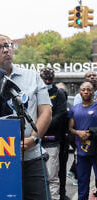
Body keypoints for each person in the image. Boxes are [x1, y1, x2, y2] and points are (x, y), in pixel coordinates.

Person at [0, 35, 52, 200]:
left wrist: (33, 139)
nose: (6, 49)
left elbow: (46, 112)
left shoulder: (32, 77)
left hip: (32, 159)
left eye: (7, 45)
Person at [40, 68, 67, 200]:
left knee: (51, 176)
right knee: (37, 177)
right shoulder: (36, 91)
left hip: (51, 140)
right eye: (44, 78)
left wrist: (42, 126)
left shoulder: (59, 94)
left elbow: (60, 114)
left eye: (49, 78)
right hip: (35, 141)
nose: (47, 80)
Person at [68, 82, 97, 200]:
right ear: (79, 92)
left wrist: (91, 132)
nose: (86, 92)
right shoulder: (74, 109)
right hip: (82, 151)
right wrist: (78, 132)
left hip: (96, 150)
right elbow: (70, 128)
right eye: (83, 89)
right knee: (82, 182)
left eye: (89, 89)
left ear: (93, 91)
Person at [56, 82, 71, 200]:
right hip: (52, 142)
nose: (61, 93)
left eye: (63, 91)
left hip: (64, 143)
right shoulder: (51, 106)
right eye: (59, 90)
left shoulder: (69, 106)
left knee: (62, 170)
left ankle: (62, 193)